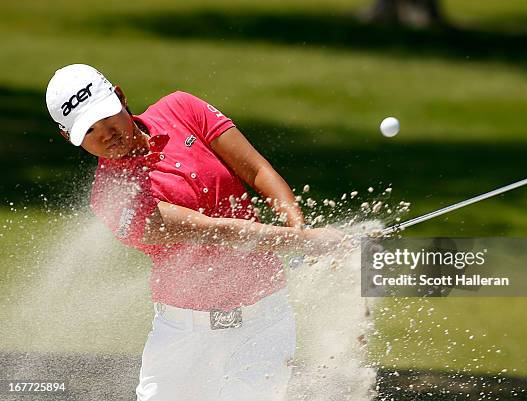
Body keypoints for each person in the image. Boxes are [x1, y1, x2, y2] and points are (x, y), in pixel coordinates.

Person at [45, 64, 343, 401]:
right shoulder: (112, 197)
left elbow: (257, 170)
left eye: (107, 116)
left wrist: (298, 228)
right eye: (89, 131)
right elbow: (215, 231)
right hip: (184, 340)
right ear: (69, 138)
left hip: (265, 322)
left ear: (120, 96)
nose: (106, 134)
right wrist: (304, 242)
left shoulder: (181, 108)